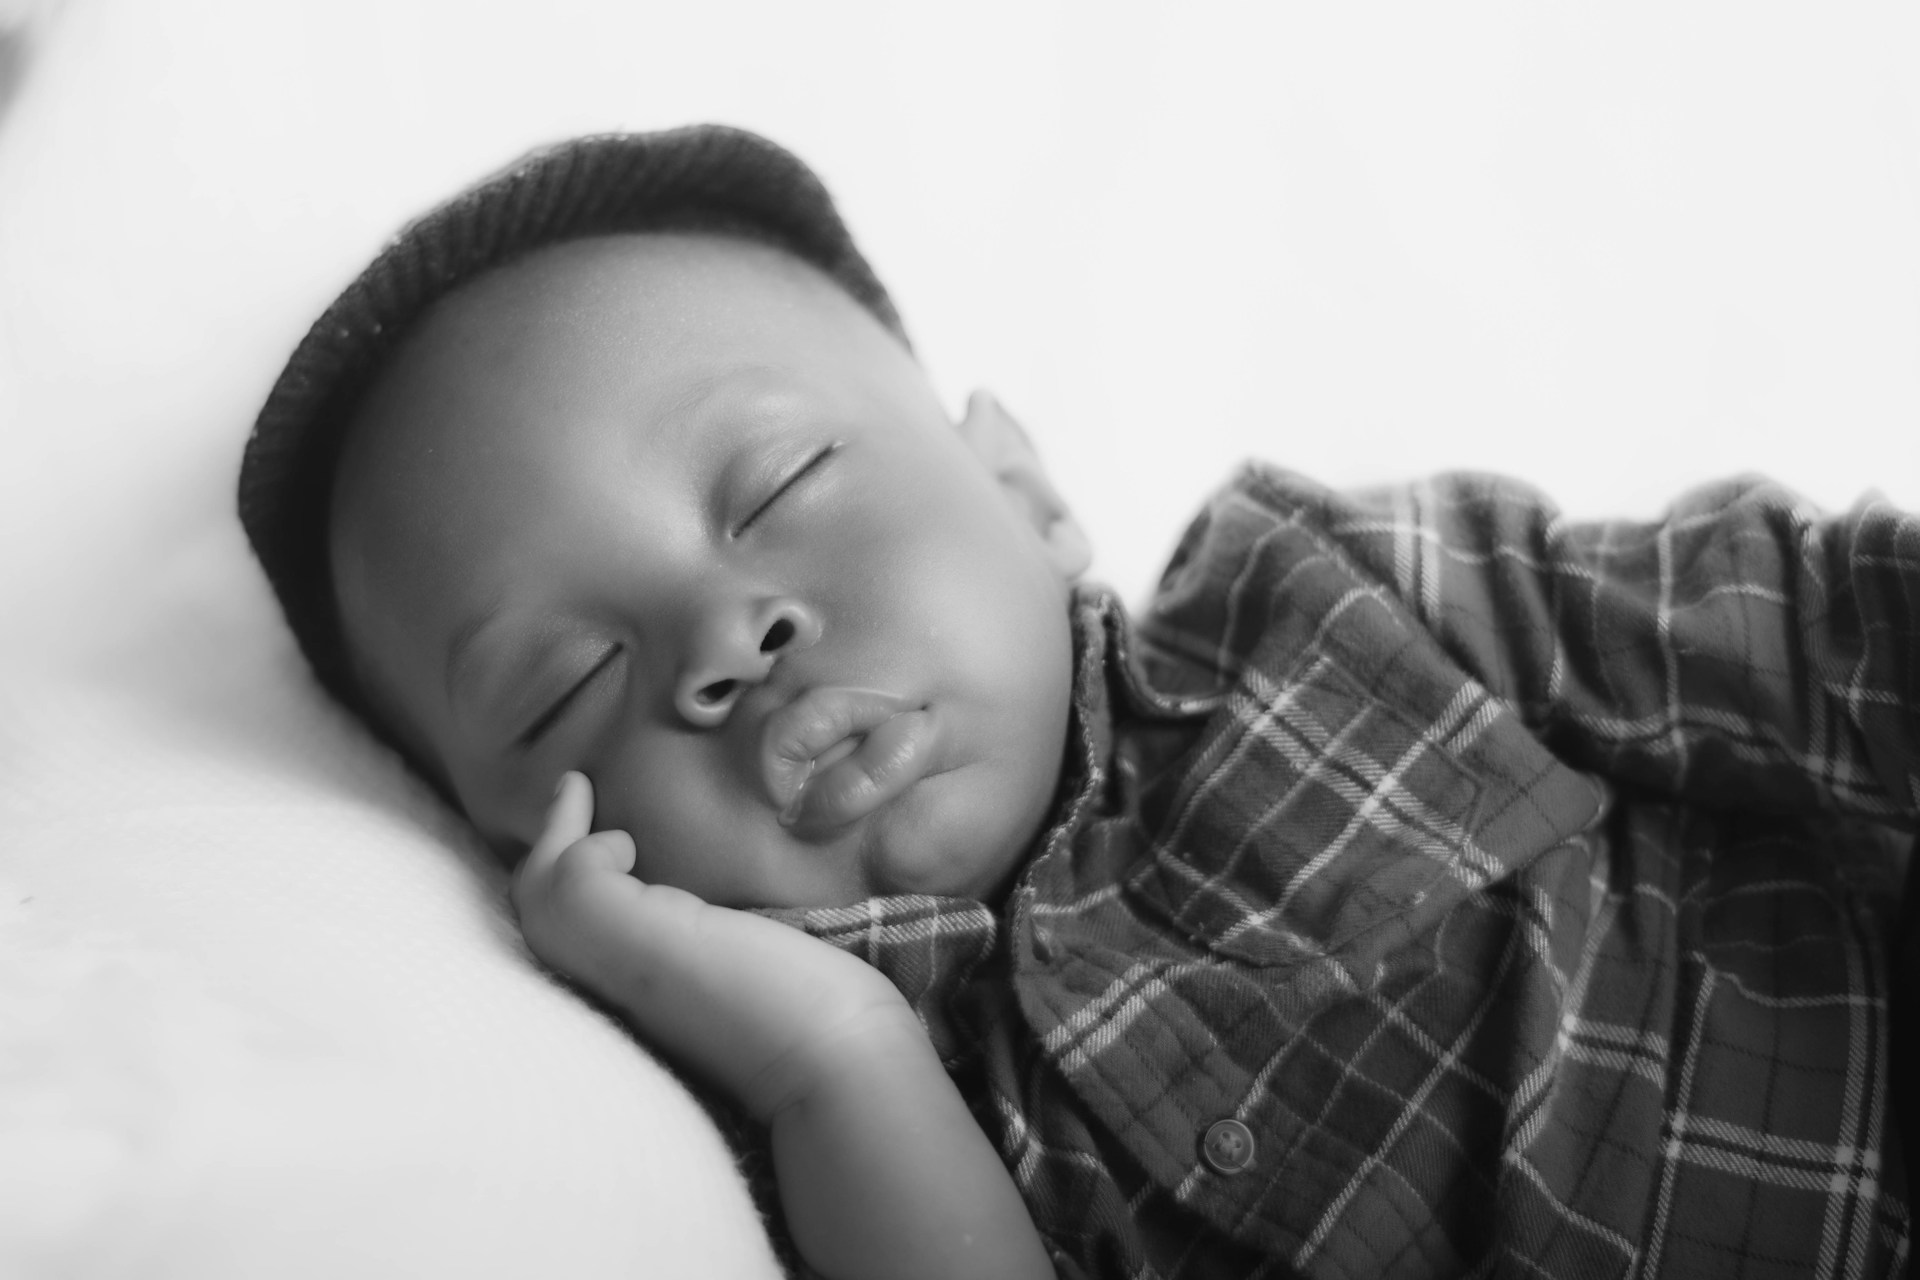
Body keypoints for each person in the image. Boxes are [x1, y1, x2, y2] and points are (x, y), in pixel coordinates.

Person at [238, 125, 1916, 1280]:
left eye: (782, 480)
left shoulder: (1329, 598)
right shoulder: (852, 1122)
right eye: (568, 684)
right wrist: (840, 1061)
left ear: (1025, 497)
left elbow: (1825, 629)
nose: (726, 637)